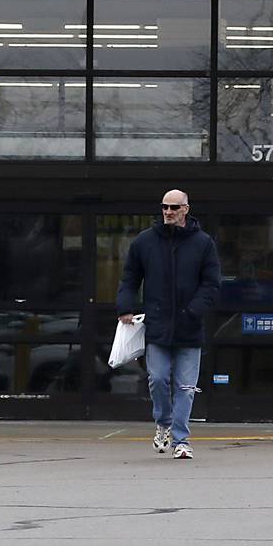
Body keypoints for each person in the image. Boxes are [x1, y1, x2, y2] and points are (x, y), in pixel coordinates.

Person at [117, 189, 221, 460]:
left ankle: (181, 440)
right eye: (164, 207)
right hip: (158, 325)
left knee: (186, 387)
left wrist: (194, 310)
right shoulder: (145, 242)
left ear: (186, 209)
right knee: (159, 379)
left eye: (174, 207)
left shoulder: (203, 243)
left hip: (189, 325)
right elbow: (130, 277)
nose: (168, 212)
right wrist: (125, 306)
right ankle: (163, 422)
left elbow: (211, 284)